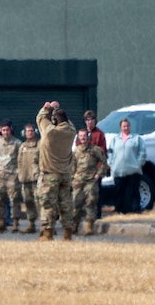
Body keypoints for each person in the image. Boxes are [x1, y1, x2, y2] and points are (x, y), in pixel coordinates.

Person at [36, 101, 77, 241]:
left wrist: (46, 108)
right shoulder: (71, 132)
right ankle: (68, 233)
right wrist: (57, 109)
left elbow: (40, 118)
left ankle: (47, 234)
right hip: (65, 175)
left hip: (49, 175)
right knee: (66, 205)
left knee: (48, 205)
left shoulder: (50, 132)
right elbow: (68, 122)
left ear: (54, 121)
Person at [72, 128, 107, 235]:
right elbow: (72, 166)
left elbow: (104, 162)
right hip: (78, 181)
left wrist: (99, 174)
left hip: (91, 180)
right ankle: (74, 226)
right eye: (81, 136)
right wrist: (72, 177)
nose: (83, 138)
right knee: (75, 203)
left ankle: (89, 227)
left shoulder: (95, 150)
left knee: (90, 202)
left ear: (88, 137)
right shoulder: (76, 151)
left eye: (85, 135)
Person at [108, 118, 146, 214]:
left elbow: (142, 152)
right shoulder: (115, 139)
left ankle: (135, 208)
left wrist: (139, 163)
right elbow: (110, 153)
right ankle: (120, 209)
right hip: (118, 170)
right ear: (120, 127)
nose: (126, 128)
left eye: (127, 126)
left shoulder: (136, 138)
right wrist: (111, 163)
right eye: (124, 126)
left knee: (133, 191)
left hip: (133, 170)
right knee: (120, 191)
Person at [0, 119, 22, 233]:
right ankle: (1, 222)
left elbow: (21, 159)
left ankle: (15, 223)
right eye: (3, 130)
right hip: (0, 175)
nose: (5, 132)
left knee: (14, 199)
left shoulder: (17, 143)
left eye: (7, 130)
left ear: (11, 130)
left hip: (13, 176)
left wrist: (18, 172)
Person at [17, 123, 40, 233]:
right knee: (28, 202)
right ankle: (31, 224)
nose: (29, 132)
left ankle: (45, 225)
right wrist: (20, 175)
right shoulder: (22, 147)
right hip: (25, 179)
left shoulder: (40, 145)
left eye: (31, 130)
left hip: (37, 179)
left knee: (40, 202)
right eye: (27, 131)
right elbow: (19, 162)